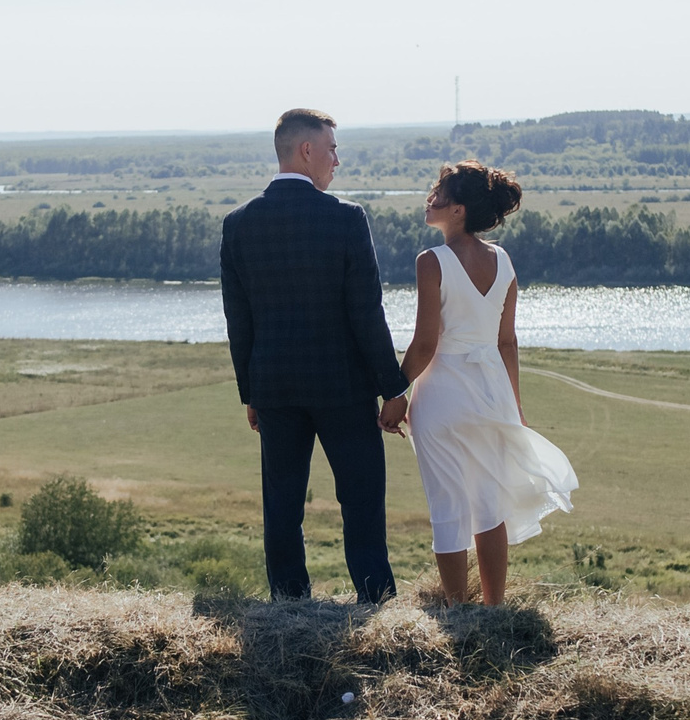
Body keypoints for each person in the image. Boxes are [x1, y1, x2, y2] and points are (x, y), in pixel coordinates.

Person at [220, 108, 411, 602]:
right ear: (306, 151)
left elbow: (238, 322)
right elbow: (367, 314)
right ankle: (376, 603)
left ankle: (288, 605)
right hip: (343, 388)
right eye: (331, 149)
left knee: (281, 503)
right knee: (362, 501)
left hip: (274, 388)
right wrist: (394, 388)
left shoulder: (238, 224)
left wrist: (251, 393)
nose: (337, 161)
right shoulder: (346, 219)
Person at [396, 160, 577, 605]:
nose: (430, 198)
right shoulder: (503, 259)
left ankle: (458, 611)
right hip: (491, 393)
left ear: (458, 210)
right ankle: (494, 609)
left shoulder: (431, 261)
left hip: (442, 395)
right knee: (488, 505)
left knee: (448, 505)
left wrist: (395, 393)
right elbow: (507, 342)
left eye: (438, 193)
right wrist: (514, 408)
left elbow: (423, 345)